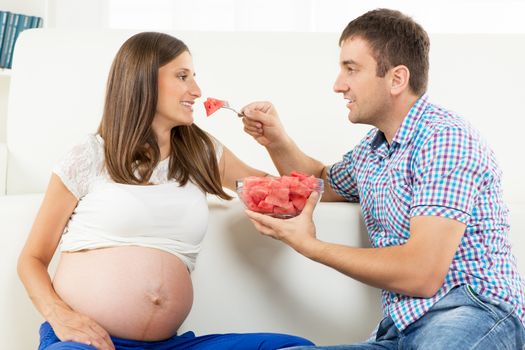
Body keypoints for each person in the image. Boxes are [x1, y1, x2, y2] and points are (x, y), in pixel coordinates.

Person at [240, 8, 525, 349]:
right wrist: (277, 140)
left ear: (396, 79)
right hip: (400, 331)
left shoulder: (445, 138)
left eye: (351, 69)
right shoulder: (372, 152)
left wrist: (311, 246)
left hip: (471, 313)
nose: (337, 85)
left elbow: (422, 273)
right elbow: (320, 180)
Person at [17, 32, 314, 350]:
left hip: (170, 345)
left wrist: (275, 140)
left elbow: (287, 194)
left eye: (194, 77)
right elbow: (32, 259)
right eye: (183, 76)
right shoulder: (89, 155)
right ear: (143, 82)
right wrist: (59, 315)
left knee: (293, 347)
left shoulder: (202, 152)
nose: (197, 92)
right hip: (91, 343)